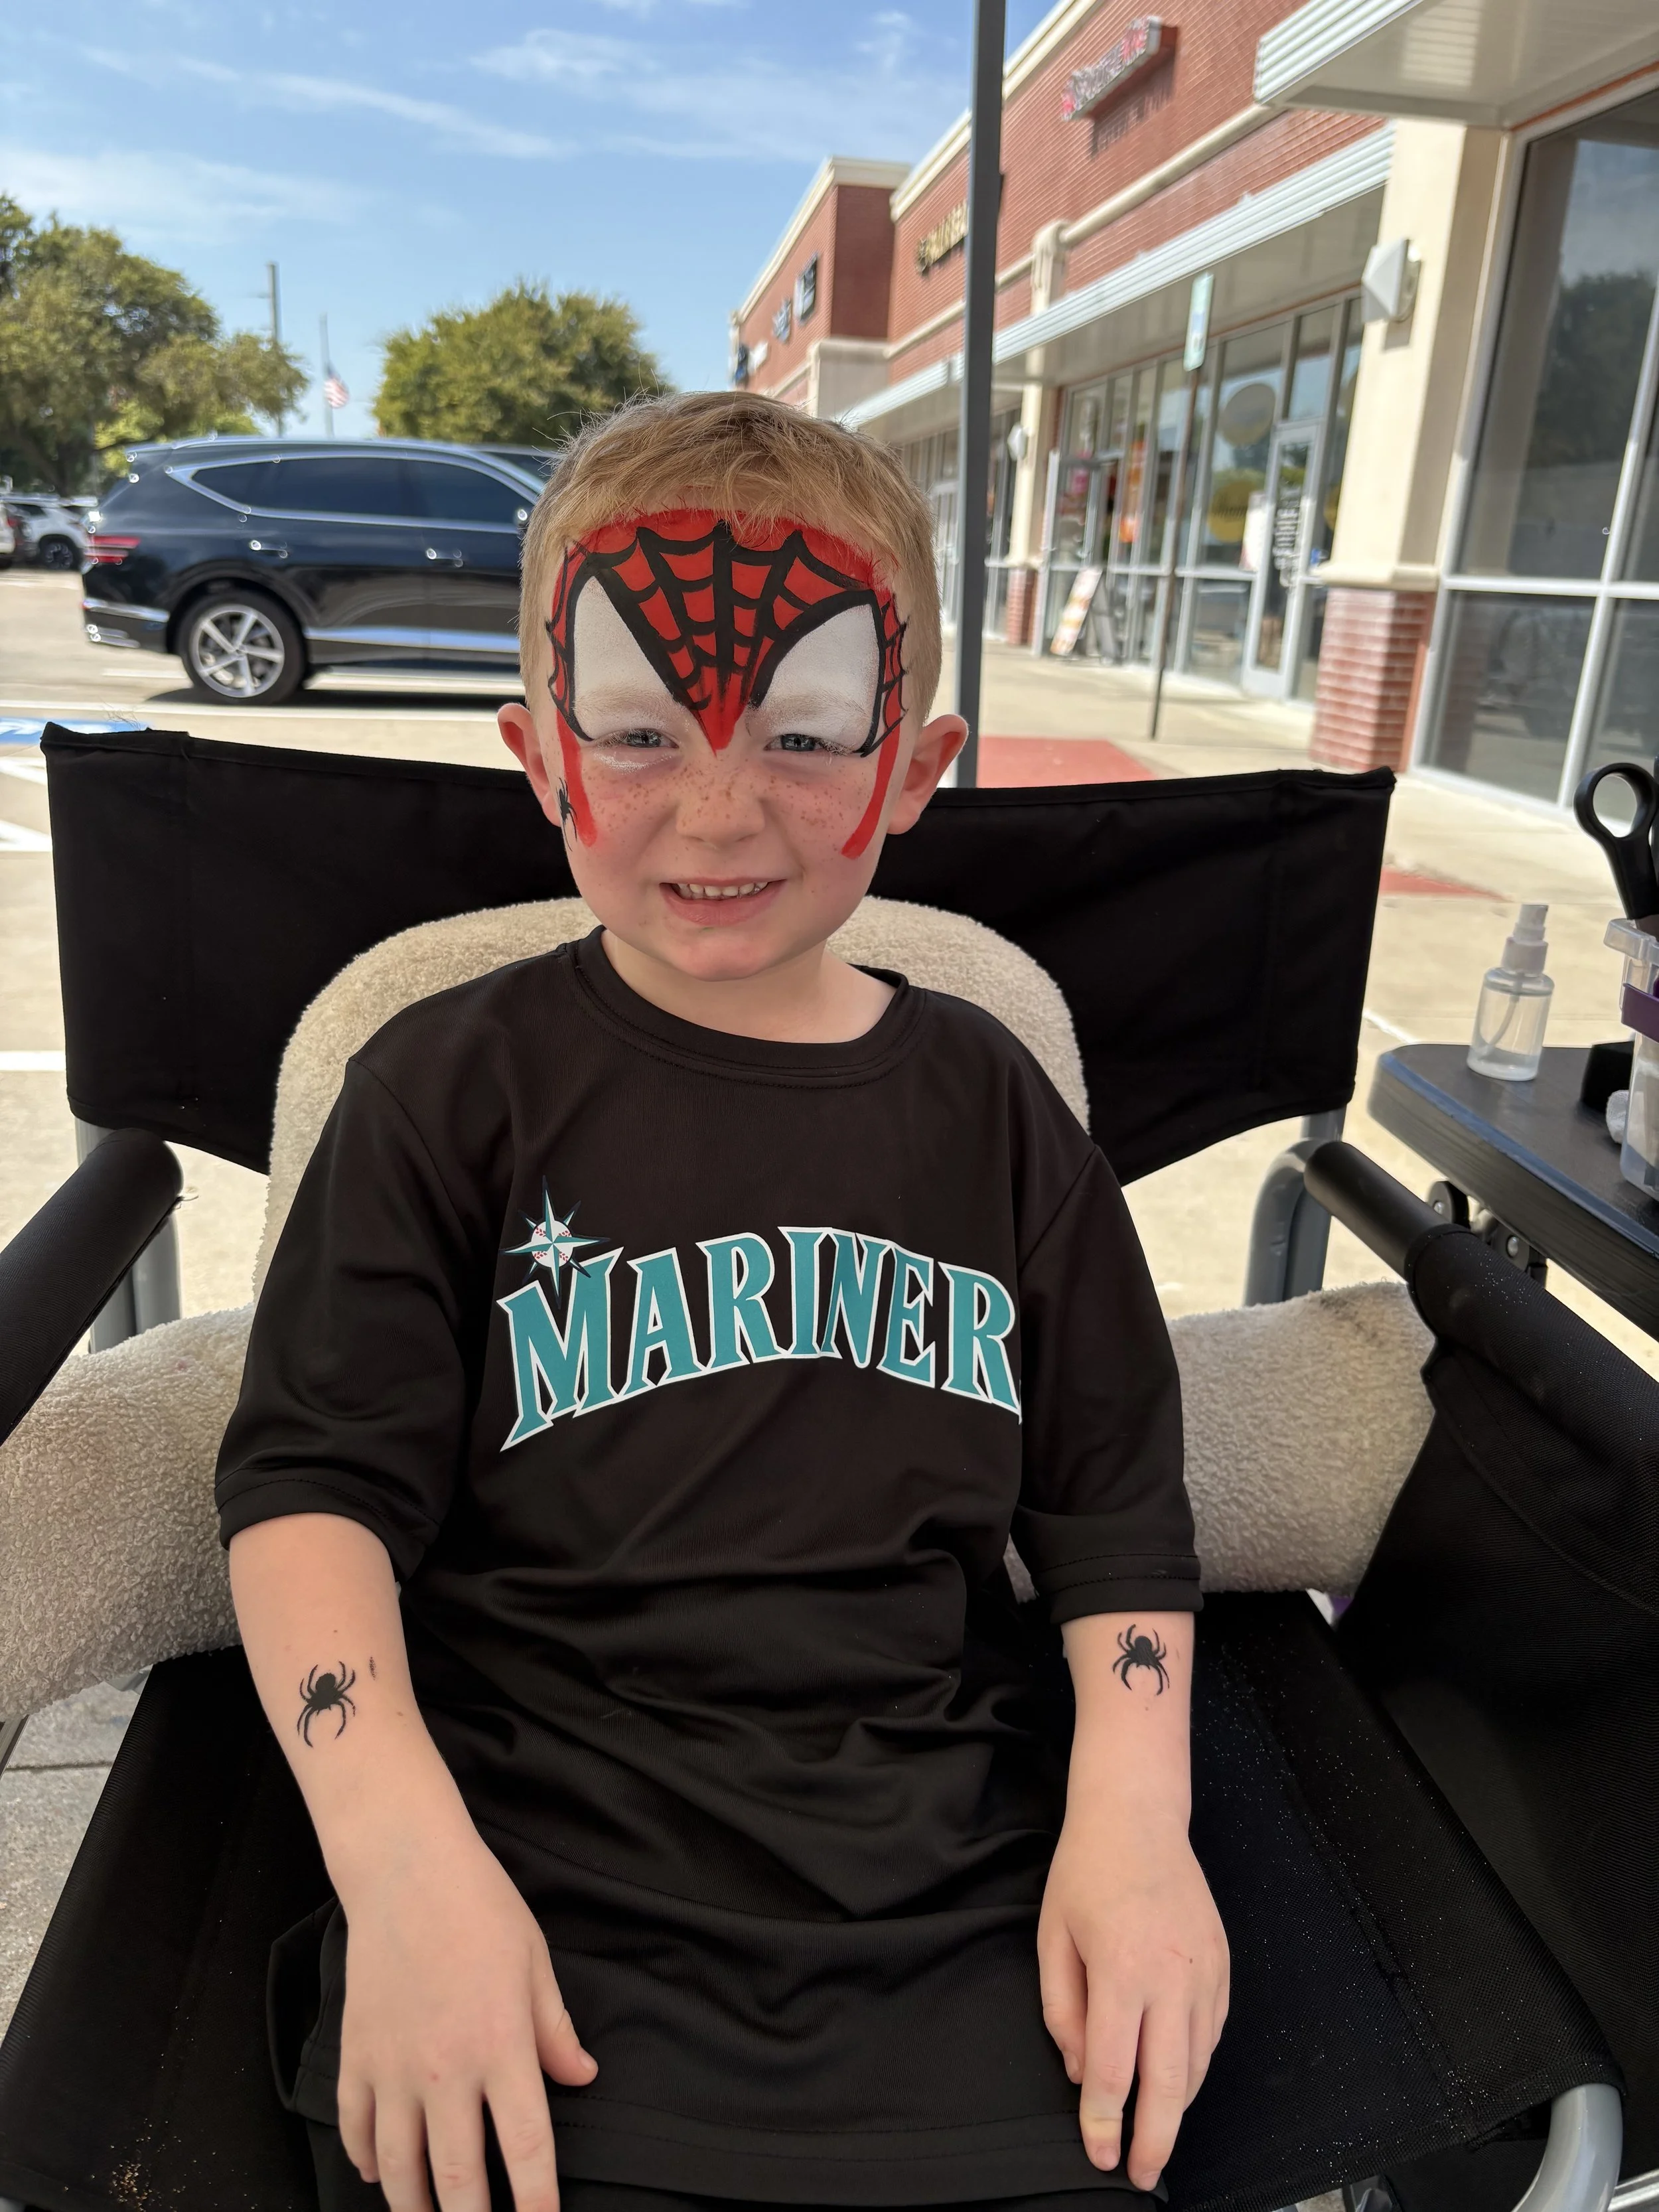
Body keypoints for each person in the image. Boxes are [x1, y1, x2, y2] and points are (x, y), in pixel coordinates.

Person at [216, 389, 1228, 2212]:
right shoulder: (443, 1088)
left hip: (954, 1889)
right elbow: (307, 1495)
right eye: (635, 728)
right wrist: (401, 1871)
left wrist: (1137, 1824)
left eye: (806, 732)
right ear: (542, 757)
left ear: (913, 768)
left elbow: (1116, 1517)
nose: (716, 802)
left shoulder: (992, 1105)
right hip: (529, 1884)